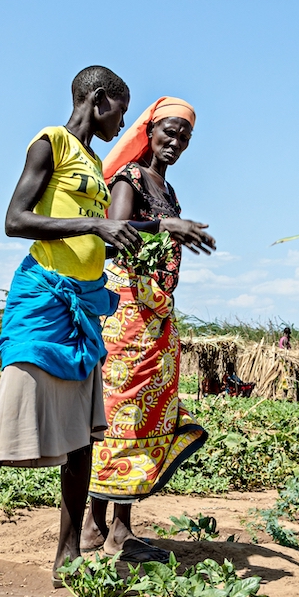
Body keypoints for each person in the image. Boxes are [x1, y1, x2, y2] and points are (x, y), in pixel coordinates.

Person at [0, 65, 144, 597]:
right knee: (1, 432)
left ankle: (67, 557)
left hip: (83, 307)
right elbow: (16, 219)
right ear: (98, 99)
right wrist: (94, 227)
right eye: (120, 110)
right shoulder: (50, 143)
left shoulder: (97, 166)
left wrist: (160, 229)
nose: (122, 121)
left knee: (82, 436)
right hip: (41, 302)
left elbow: (107, 229)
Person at [82, 97, 217, 562]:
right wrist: (167, 225)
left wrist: (172, 223)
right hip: (127, 314)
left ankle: (108, 528)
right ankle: (102, 529)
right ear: (149, 132)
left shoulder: (169, 190)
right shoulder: (131, 178)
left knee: (141, 417)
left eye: (185, 137)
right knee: (121, 416)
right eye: (170, 132)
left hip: (155, 316)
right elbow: (115, 231)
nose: (176, 142)